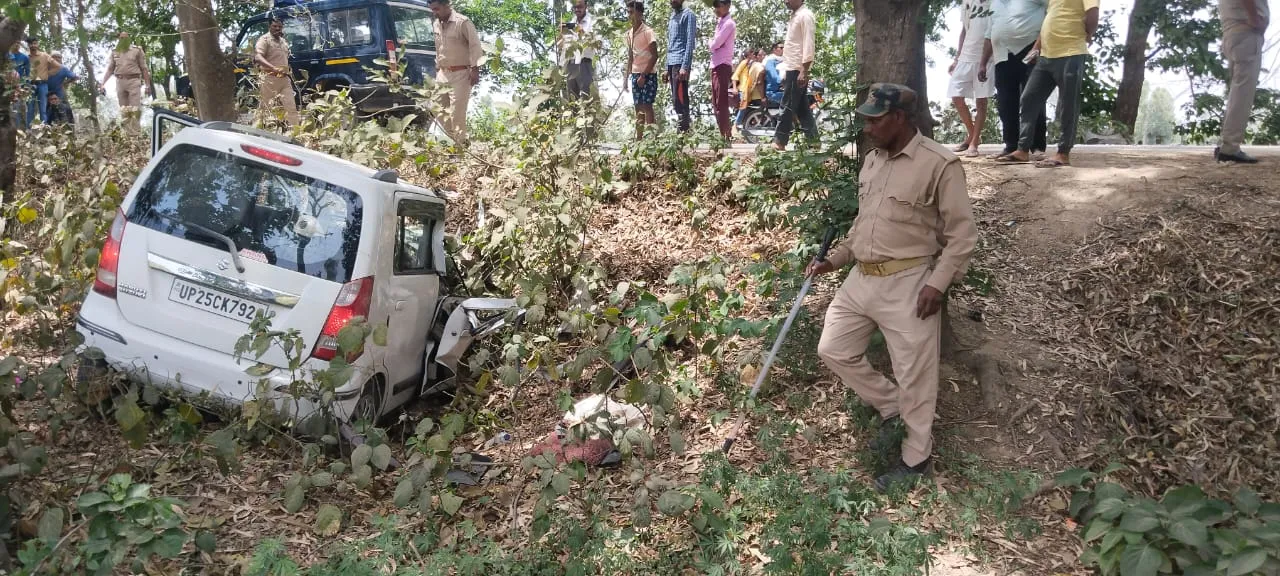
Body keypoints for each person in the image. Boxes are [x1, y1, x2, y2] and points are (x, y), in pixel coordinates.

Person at [808, 83, 977, 492]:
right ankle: (890, 405)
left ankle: (915, 461)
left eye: (876, 119)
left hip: (909, 282)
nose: (868, 128)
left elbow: (963, 235)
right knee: (832, 349)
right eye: (865, 119)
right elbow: (860, 229)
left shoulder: (940, 164)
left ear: (900, 118)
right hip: (861, 279)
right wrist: (834, 259)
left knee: (916, 376)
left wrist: (938, 283)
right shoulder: (871, 161)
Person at [995, 0, 1098, 167]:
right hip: (1045, 56)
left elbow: (1092, 14)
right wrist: (1035, 49)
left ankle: (1063, 153)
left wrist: (1088, 33)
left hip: (1071, 53)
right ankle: (1022, 150)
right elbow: (1048, 21)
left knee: (1067, 104)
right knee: (1028, 98)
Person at [979, 0, 1048, 160]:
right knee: (1006, 102)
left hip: (1030, 51)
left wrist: (1038, 46)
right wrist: (983, 63)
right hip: (1002, 55)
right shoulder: (995, 4)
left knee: (1033, 98)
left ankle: (1037, 146)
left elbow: (1051, 11)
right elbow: (989, 34)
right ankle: (1011, 146)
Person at [1215, 0, 1269, 164]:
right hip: (1246, 32)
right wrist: (1254, 18)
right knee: (1242, 92)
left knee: (1237, 91)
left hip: (1234, 32)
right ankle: (1230, 148)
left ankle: (1227, 144)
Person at [428, 0, 483, 145]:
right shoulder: (436, 24)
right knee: (437, 109)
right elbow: (438, 47)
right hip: (442, 74)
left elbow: (475, 45)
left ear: (446, 5)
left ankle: (460, 151)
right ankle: (455, 143)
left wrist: (475, 69)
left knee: (456, 114)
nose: (434, 12)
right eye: (432, 9)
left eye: (437, 9)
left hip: (461, 74)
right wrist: (438, 68)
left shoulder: (462, 22)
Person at [947, 0, 995, 157]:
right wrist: (956, 58)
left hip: (987, 58)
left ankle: (973, 143)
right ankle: (972, 134)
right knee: (956, 96)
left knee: (981, 101)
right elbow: (964, 30)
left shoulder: (998, 3)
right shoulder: (967, 2)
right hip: (965, 57)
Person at [772, 0, 817, 151]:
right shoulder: (794, 17)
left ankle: (780, 141)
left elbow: (809, 44)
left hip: (798, 69)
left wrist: (804, 71)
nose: (786, 1)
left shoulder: (805, 16)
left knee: (787, 105)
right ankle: (814, 140)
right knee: (803, 108)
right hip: (791, 68)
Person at [255, 17, 301, 126]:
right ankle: (257, 132)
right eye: (274, 26)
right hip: (270, 79)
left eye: (279, 27)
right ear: (269, 27)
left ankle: (296, 134)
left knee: (291, 108)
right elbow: (258, 57)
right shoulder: (264, 40)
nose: (277, 28)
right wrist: (273, 68)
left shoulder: (283, 41)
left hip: (284, 79)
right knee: (265, 109)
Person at [102, 31, 153, 127]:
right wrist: (102, 84)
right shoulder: (115, 51)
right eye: (121, 38)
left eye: (125, 38)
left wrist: (147, 85)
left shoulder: (137, 50)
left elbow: (144, 68)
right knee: (124, 110)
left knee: (134, 109)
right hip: (120, 81)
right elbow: (110, 69)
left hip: (134, 81)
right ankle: (127, 135)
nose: (123, 40)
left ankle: (135, 134)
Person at [624, 1, 659, 139]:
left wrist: (644, 75)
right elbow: (630, 57)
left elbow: (655, 55)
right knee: (638, 107)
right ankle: (639, 140)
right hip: (635, 74)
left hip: (648, 74)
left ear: (640, 13)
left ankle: (652, 140)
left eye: (631, 12)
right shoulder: (629, 34)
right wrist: (626, 78)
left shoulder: (648, 32)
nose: (629, 15)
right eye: (628, 12)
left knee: (647, 105)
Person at [663, 0, 696, 133]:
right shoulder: (672, 16)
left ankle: (684, 131)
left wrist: (685, 66)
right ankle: (684, 128)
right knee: (674, 99)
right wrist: (666, 67)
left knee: (680, 98)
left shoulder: (688, 15)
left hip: (680, 62)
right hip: (671, 62)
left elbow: (690, 42)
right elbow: (670, 43)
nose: (672, 1)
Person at [709, 0, 736, 140]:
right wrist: (713, 44)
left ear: (727, 6)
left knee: (721, 102)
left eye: (719, 6)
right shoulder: (720, 22)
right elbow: (715, 44)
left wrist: (711, 43)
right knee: (715, 103)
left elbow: (715, 43)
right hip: (715, 65)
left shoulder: (729, 24)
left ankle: (726, 135)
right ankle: (722, 134)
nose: (716, 9)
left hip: (722, 65)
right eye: (715, 7)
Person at [561, 0, 596, 102]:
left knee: (586, 98)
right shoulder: (572, 22)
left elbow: (595, 42)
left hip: (584, 64)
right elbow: (566, 46)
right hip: (571, 65)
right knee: (572, 100)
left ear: (586, 6)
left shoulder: (592, 22)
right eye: (575, 7)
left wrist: (581, 31)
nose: (577, 10)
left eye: (580, 7)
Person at [734, 48, 765, 127]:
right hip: (744, 89)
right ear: (749, 55)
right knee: (743, 107)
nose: (754, 56)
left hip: (748, 89)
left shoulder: (751, 64)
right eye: (753, 54)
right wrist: (734, 88)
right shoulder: (744, 62)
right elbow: (735, 76)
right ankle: (736, 125)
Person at [28, 37, 55, 124]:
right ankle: (29, 131)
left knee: (43, 109)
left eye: (35, 43)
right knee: (30, 109)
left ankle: (44, 129)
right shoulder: (26, 57)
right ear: (28, 45)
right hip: (30, 85)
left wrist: (47, 73)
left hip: (42, 84)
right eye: (31, 43)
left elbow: (57, 66)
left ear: (38, 44)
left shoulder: (45, 55)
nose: (33, 45)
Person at [9, 42, 31, 129]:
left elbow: (28, 73)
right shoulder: (6, 54)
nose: (17, 44)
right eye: (15, 42)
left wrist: (27, 86)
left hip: (18, 86)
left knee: (17, 108)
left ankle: (17, 131)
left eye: (18, 43)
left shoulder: (24, 57)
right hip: (6, 85)